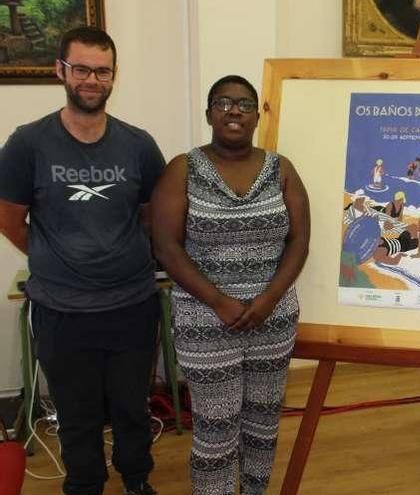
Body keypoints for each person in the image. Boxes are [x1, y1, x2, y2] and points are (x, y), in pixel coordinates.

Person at [0, 27, 164, 495]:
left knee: (133, 407)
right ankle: (85, 485)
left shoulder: (138, 145)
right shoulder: (27, 144)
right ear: (61, 71)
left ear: (113, 76)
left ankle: (137, 481)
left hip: (131, 304)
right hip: (62, 310)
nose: (92, 79)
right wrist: (54, 258)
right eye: (82, 69)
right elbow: (10, 218)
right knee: (76, 414)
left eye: (102, 70)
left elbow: (152, 217)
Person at [150, 75, 310, 495]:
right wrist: (220, 302)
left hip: (271, 320)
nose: (234, 110)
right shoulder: (183, 169)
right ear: (208, 114)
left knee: (262, 423)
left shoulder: (282, 169)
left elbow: (299, 241)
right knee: (216, 431)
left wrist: (269, 299)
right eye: (222, 102)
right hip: (205, 321)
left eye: (244, 103)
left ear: (257, 114)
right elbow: (166, 248)